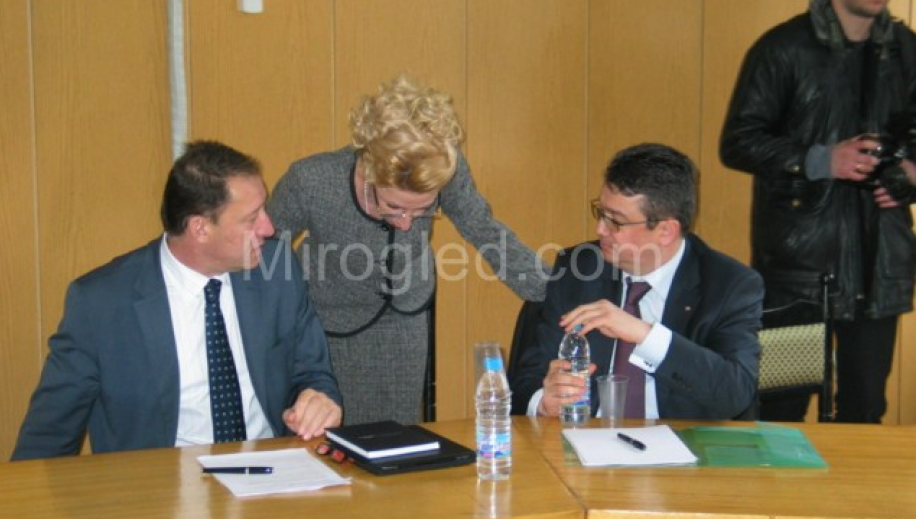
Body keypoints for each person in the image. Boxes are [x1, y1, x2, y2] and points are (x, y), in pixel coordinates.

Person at [12, 141, 342, 461]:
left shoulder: (277, 271)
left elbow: (312, 373)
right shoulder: (101, 303)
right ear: (200, 228)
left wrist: (317, 400)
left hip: (270, 473)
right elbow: (51, 432)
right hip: (159, 482)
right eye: (251, 218)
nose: (268, 228)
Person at [268, 75, 548, 426]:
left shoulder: (441, 167)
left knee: (396, 432)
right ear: (370, 169)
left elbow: (483, 228)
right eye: (393, 207)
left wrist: (553, 292)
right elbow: (264, 255)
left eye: (423, 210)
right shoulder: (311, 181)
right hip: (327, 323)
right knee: (330, 434)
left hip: (405, 313)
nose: (405, 224)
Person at [720, 0, 916, 422]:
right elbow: (738, 142)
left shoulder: (906, 48)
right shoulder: (784, 48)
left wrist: (911, 172)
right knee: (781, 406)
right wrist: (822, 160)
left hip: (879, 266)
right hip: (800, 272)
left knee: (865, 411)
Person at [510, 143, 762, 420]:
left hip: (681, 441)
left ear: (666, 231)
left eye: (615, 221)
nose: (600, 229)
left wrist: (644, 335)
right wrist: (543, 401)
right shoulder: (577, 268)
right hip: (588, 439)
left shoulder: (730, 285)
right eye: (601, 213)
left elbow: (734, 393)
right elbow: (526, 378)